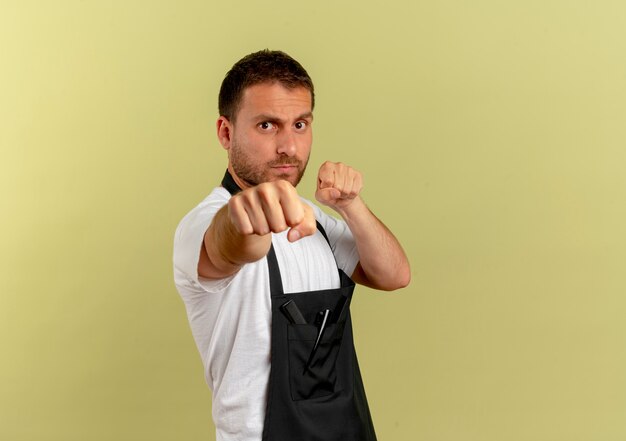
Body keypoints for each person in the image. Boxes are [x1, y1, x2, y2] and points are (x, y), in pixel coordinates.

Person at [173, 49, 410, 441]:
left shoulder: (314, 220)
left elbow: (395, 275)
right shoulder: (202, 223)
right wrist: (244, 214)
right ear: (226, 133)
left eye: (300, 124)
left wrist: (350, 206)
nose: (289, 146)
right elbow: (228, 247)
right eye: (267, 125)